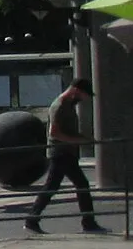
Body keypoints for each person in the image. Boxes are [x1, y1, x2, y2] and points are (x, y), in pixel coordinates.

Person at [28, 78, 107, 234]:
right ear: (76, 91)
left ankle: (88, 222)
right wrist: (79, 140)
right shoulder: (60, 106)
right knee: (62, 186)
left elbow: (68, 130)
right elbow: (54, 133)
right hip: (60, 153)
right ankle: (32, 219)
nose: (84, 99)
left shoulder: (68, 105)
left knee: (69, 185)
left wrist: (84, 138)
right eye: (84, 95)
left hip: (66, 153)